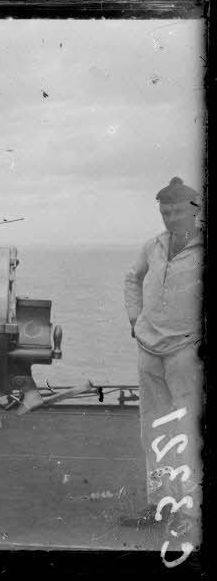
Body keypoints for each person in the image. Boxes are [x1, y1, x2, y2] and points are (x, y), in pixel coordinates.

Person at [121, 176, 204, 537]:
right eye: (165, 211)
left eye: (177, 210)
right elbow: (132, 279)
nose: (171, 217)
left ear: (194, 210)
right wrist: (135, 320)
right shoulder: (152, 246)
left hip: (186, 350)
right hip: (148, 349)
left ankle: (193, 510)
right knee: (153, 431)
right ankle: (160, 503)